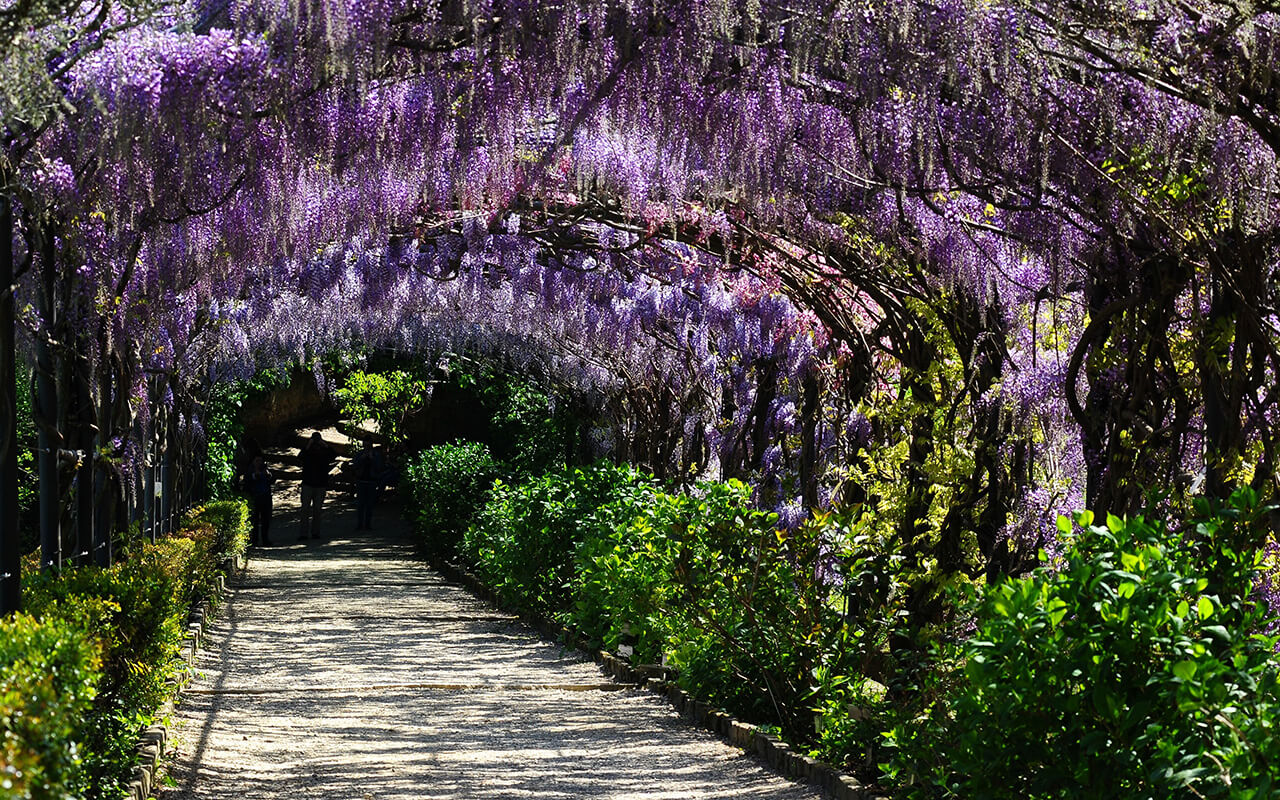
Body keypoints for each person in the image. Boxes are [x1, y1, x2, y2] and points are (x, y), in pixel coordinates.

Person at [298, 431, 337, 540]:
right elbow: (300, 457)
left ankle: (315, 532)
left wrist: (325, 445)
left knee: (317, 510)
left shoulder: (324, 451)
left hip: (320, 485)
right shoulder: (307, 451)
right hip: (308, 484)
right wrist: (308, 446)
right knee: (305, 510)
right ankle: (303, 533)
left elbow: (334, 455)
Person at [244, 455, 275, 546]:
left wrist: (268, 475)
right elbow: (247, 480)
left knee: (266, 520)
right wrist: (255, 475)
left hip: (266, 498)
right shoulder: (250, 471)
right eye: (257, 460)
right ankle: (254, 540)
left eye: (260, 461)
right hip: (255, 498)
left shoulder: (266, 469)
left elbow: (273, 479)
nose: (259, 463)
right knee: (255, 520)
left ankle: (265, 539)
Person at [351, 439, 378, 531]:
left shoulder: (376, 455)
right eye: (365, 445)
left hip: (371, 481)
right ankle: (360, 524)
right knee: (360, 504)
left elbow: (379, 467)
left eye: (368, 446)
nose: (366, 448)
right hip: (361, 481)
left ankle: (368, 524)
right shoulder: (359, 454)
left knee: (370, 504)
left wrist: (372, 459)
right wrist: (362, 458)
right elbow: (354, 466)